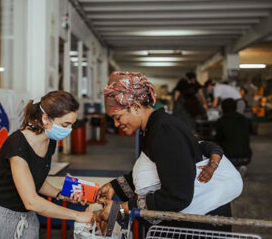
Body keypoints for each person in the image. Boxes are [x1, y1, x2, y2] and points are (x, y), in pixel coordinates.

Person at [97, 71, 240, 235]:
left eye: (117, 117)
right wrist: (115, 187)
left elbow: (177, 195)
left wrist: (123, 208)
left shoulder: (164, 132)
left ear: (136, 107)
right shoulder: (152, 128)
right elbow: (159, 171)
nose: (115, 124)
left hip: (199, 226)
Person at [0, 91, 93, 239]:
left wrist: (60, 194)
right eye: (65, 124)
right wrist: (78, 215)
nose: (69, 130)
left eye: (72, 124)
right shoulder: (17, 145)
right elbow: (31, 202)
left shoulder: (50, 141)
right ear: (46, 118)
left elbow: (34, 180)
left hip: (27, 218)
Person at [215, 99, 252, 176]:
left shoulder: (221, 121)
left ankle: (232, 168)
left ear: (223, 108)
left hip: (228, 157)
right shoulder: (245, 120)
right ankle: (240, 166)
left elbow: (218, 140)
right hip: (245, 156)